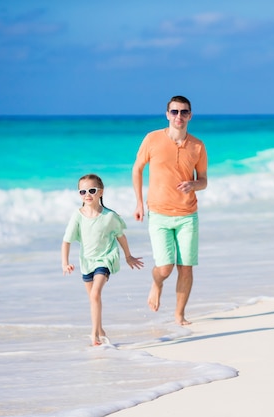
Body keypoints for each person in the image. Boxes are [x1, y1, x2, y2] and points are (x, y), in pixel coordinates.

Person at [132, 95, 208, 326]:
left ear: (190, 115)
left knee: (185, 268)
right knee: (165, 268)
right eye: (174, 112)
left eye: (184, 112)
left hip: (187, 216)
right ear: (167, 114)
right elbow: (137, 169)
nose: (179, 116)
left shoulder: (197, 145)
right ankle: (156, 284)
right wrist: (138, 202)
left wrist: (193, 184)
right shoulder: (152, 138)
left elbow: (203, 180)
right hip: (159, 213)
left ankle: (179, 315)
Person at [61, 173, 144, 346]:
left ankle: (94, 335)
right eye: (82, 192)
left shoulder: (109, 216)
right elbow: (66, 241)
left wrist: (128, 256)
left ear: (100, 192)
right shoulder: (77, 216)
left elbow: (121, 236)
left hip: (105, 258)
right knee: (93, 299)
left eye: (91, 190)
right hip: (86, 261)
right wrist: (65, 262)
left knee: (95, 293)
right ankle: (100, 330)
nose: (87, 195)